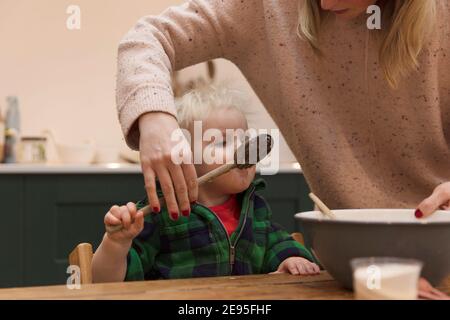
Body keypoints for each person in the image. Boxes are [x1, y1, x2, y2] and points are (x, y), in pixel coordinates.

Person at [116, 0, 450, 219]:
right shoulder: (265, 7)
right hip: (351, 261)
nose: (324, 3)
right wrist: (155, 116)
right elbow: (148, 39)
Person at [92, 85, 320, 282]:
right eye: (223, 142)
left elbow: (276, 242)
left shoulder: (254, 208)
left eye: (244, 139)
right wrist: (116, 244)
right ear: (182, 157)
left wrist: (292, 258)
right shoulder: (160, 214)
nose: (242, 149)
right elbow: (106, 281)